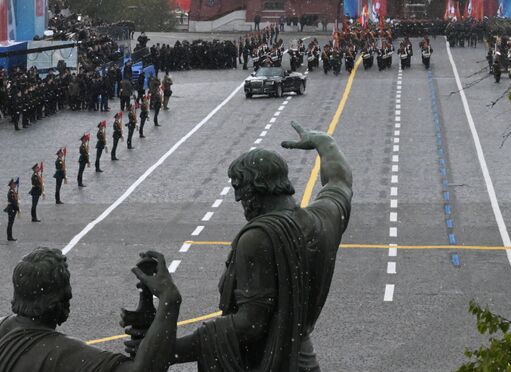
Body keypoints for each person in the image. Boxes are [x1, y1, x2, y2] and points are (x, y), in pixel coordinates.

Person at [125, 122, 353, 371]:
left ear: (255, 192)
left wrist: (169, 351)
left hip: (266, 362)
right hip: (303, 356)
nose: (238, 201)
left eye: (239, 191)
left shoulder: (258, 238)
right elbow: (340, 181)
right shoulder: (324, 219)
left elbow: (249, 325)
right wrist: (325, 142)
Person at [0, 247, 182, 372]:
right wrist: (169, 299)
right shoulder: (63, 354)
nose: (70, 293)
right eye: (67, 286)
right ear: (56, 301)